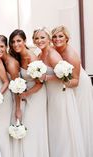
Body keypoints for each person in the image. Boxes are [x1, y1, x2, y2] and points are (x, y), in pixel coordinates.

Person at [33, 27, 85, 157]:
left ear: (48, 39)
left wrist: (46, 77)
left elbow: (65, 76)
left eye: (42, 37)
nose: (40, 41)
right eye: (37, 38)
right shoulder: (40, 54)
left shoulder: (52, 54)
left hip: (60, 93)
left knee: (63, 128)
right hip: (50, 95)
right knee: (55, 128)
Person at [52, 25, 93, 157]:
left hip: (80, 86)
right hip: (67, 83)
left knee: (79, 115)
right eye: (54, 36)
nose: (57, 39)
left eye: (60, 36)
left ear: (67, 38)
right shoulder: (54, 49)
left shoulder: (71, 54)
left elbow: (75, 82)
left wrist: (56, 79)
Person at [8, 29, 49, 157]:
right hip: (27, 94)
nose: (16, 44)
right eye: (13, 42)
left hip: (36, 95)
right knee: (27, 126)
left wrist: (26, 94)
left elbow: (40, 83)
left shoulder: (31, 58)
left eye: (19, 41)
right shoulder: (18, 56)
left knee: (33, 127)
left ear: (24, 41)